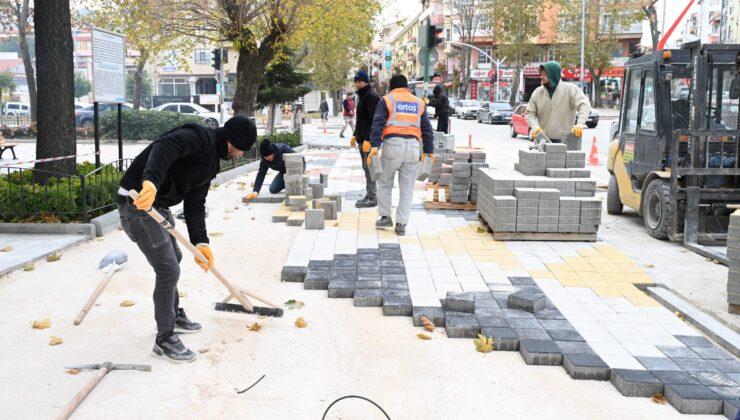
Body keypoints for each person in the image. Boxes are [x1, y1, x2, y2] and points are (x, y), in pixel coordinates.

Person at [118, 116, 257, 363]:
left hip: (158, 206)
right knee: (167, 269)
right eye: (242, 149)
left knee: (178, 257)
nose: (240, 155)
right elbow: (164, 147)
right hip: (137, 203)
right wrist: (149, 182)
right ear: (233, 142)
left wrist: (201, 242)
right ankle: (165, 339)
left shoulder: (212, 163)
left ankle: (173, 314)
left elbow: (195, 203)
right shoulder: (200, 137)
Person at [368, 74, 434, 236]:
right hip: (413, 147)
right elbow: (427, 129)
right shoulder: (418, 103)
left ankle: (385, 216)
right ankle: (401, 224)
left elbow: (378, 124)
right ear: (407, 87)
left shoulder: (387, 100)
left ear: (392, 86)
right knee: (407, 188)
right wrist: (428, 151)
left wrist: (374, 146)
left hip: (392, 145)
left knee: (385, 183)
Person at [525, 61, 591, 143]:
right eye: (541, 74)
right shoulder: (538, 92)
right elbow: (529, 113)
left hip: (565, 141)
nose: (541, 77)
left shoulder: (571, 89)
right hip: (542, 140)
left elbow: (584, 105)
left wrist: (580, 124)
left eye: (544, 74)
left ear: (553, 75)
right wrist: (535, 127)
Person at [349, 70, 381, 208]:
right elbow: (361, 119)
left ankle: (372, 197)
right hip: (362, 139)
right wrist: (355, 134)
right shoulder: (362, 96)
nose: (357, 84)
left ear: (365, 81)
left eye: (360, 81)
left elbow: (375, 120)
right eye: (356, 81)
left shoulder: (371, 96)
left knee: (370, 168)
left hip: (369, 141)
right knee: (366, 167)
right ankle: (370, 195)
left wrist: (369, 139)